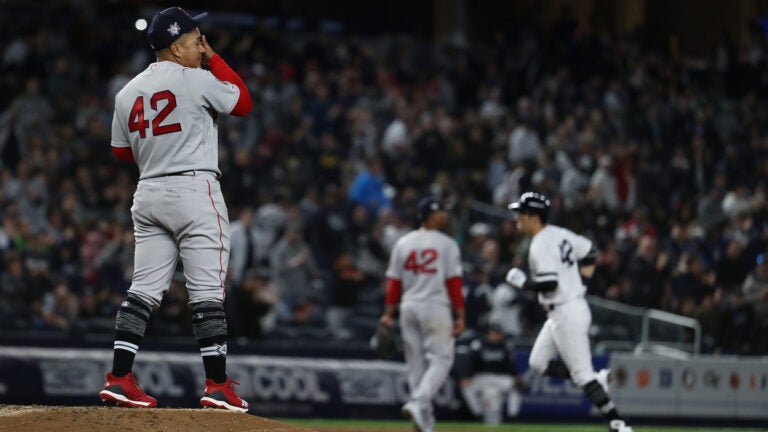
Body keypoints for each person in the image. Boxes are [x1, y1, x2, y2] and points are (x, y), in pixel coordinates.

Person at [98, 6, 252, 411]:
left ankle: (119, 377)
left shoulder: (127, 91)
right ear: (176, 47)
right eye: (196, 41)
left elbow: (119, 151)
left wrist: (159, 153)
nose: (202, 47)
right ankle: (217, 385)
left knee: (143, 290)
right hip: (195, 189)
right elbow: (244, 103)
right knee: (206, 292)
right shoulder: (198, 79)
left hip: (148, 192)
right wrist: (216, 59)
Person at [505, 192, 633, 432]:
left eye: (521, 213)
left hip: (566, 312)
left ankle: (619, 424)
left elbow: (550, 284)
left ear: (533, 216)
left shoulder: (541, 243)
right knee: (537, 363)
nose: (517, 217)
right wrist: (581, 284)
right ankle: (599, 379)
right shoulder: (558, 234)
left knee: (582, 376)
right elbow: (591, 252)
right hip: (564, 309)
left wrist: (523, 283)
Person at [379, 196, 465, 432]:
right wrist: (460, 315)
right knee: (441, 359)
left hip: (408, 307)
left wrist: (388, 313)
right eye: (440, 212)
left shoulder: (403, 242)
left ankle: (423, 421)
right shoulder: (447, 244)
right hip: (435, 306)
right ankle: (419, 402)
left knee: (415, 364)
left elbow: (394, 283)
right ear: (429, 215)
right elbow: (454, 283)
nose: (445, 216)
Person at [459, 323, 528, 425]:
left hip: (500, 377)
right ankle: (477, 414)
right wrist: (467, 377)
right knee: (465, 387)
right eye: (493, 333)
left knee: (517, 387)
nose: (495, 335)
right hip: (482, 376)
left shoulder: (506, 345)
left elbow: (511, 365)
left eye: (498, 333)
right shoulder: (479, 344)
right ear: (489, 333)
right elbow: (471, 362)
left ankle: (512, 416)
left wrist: (516, 377)